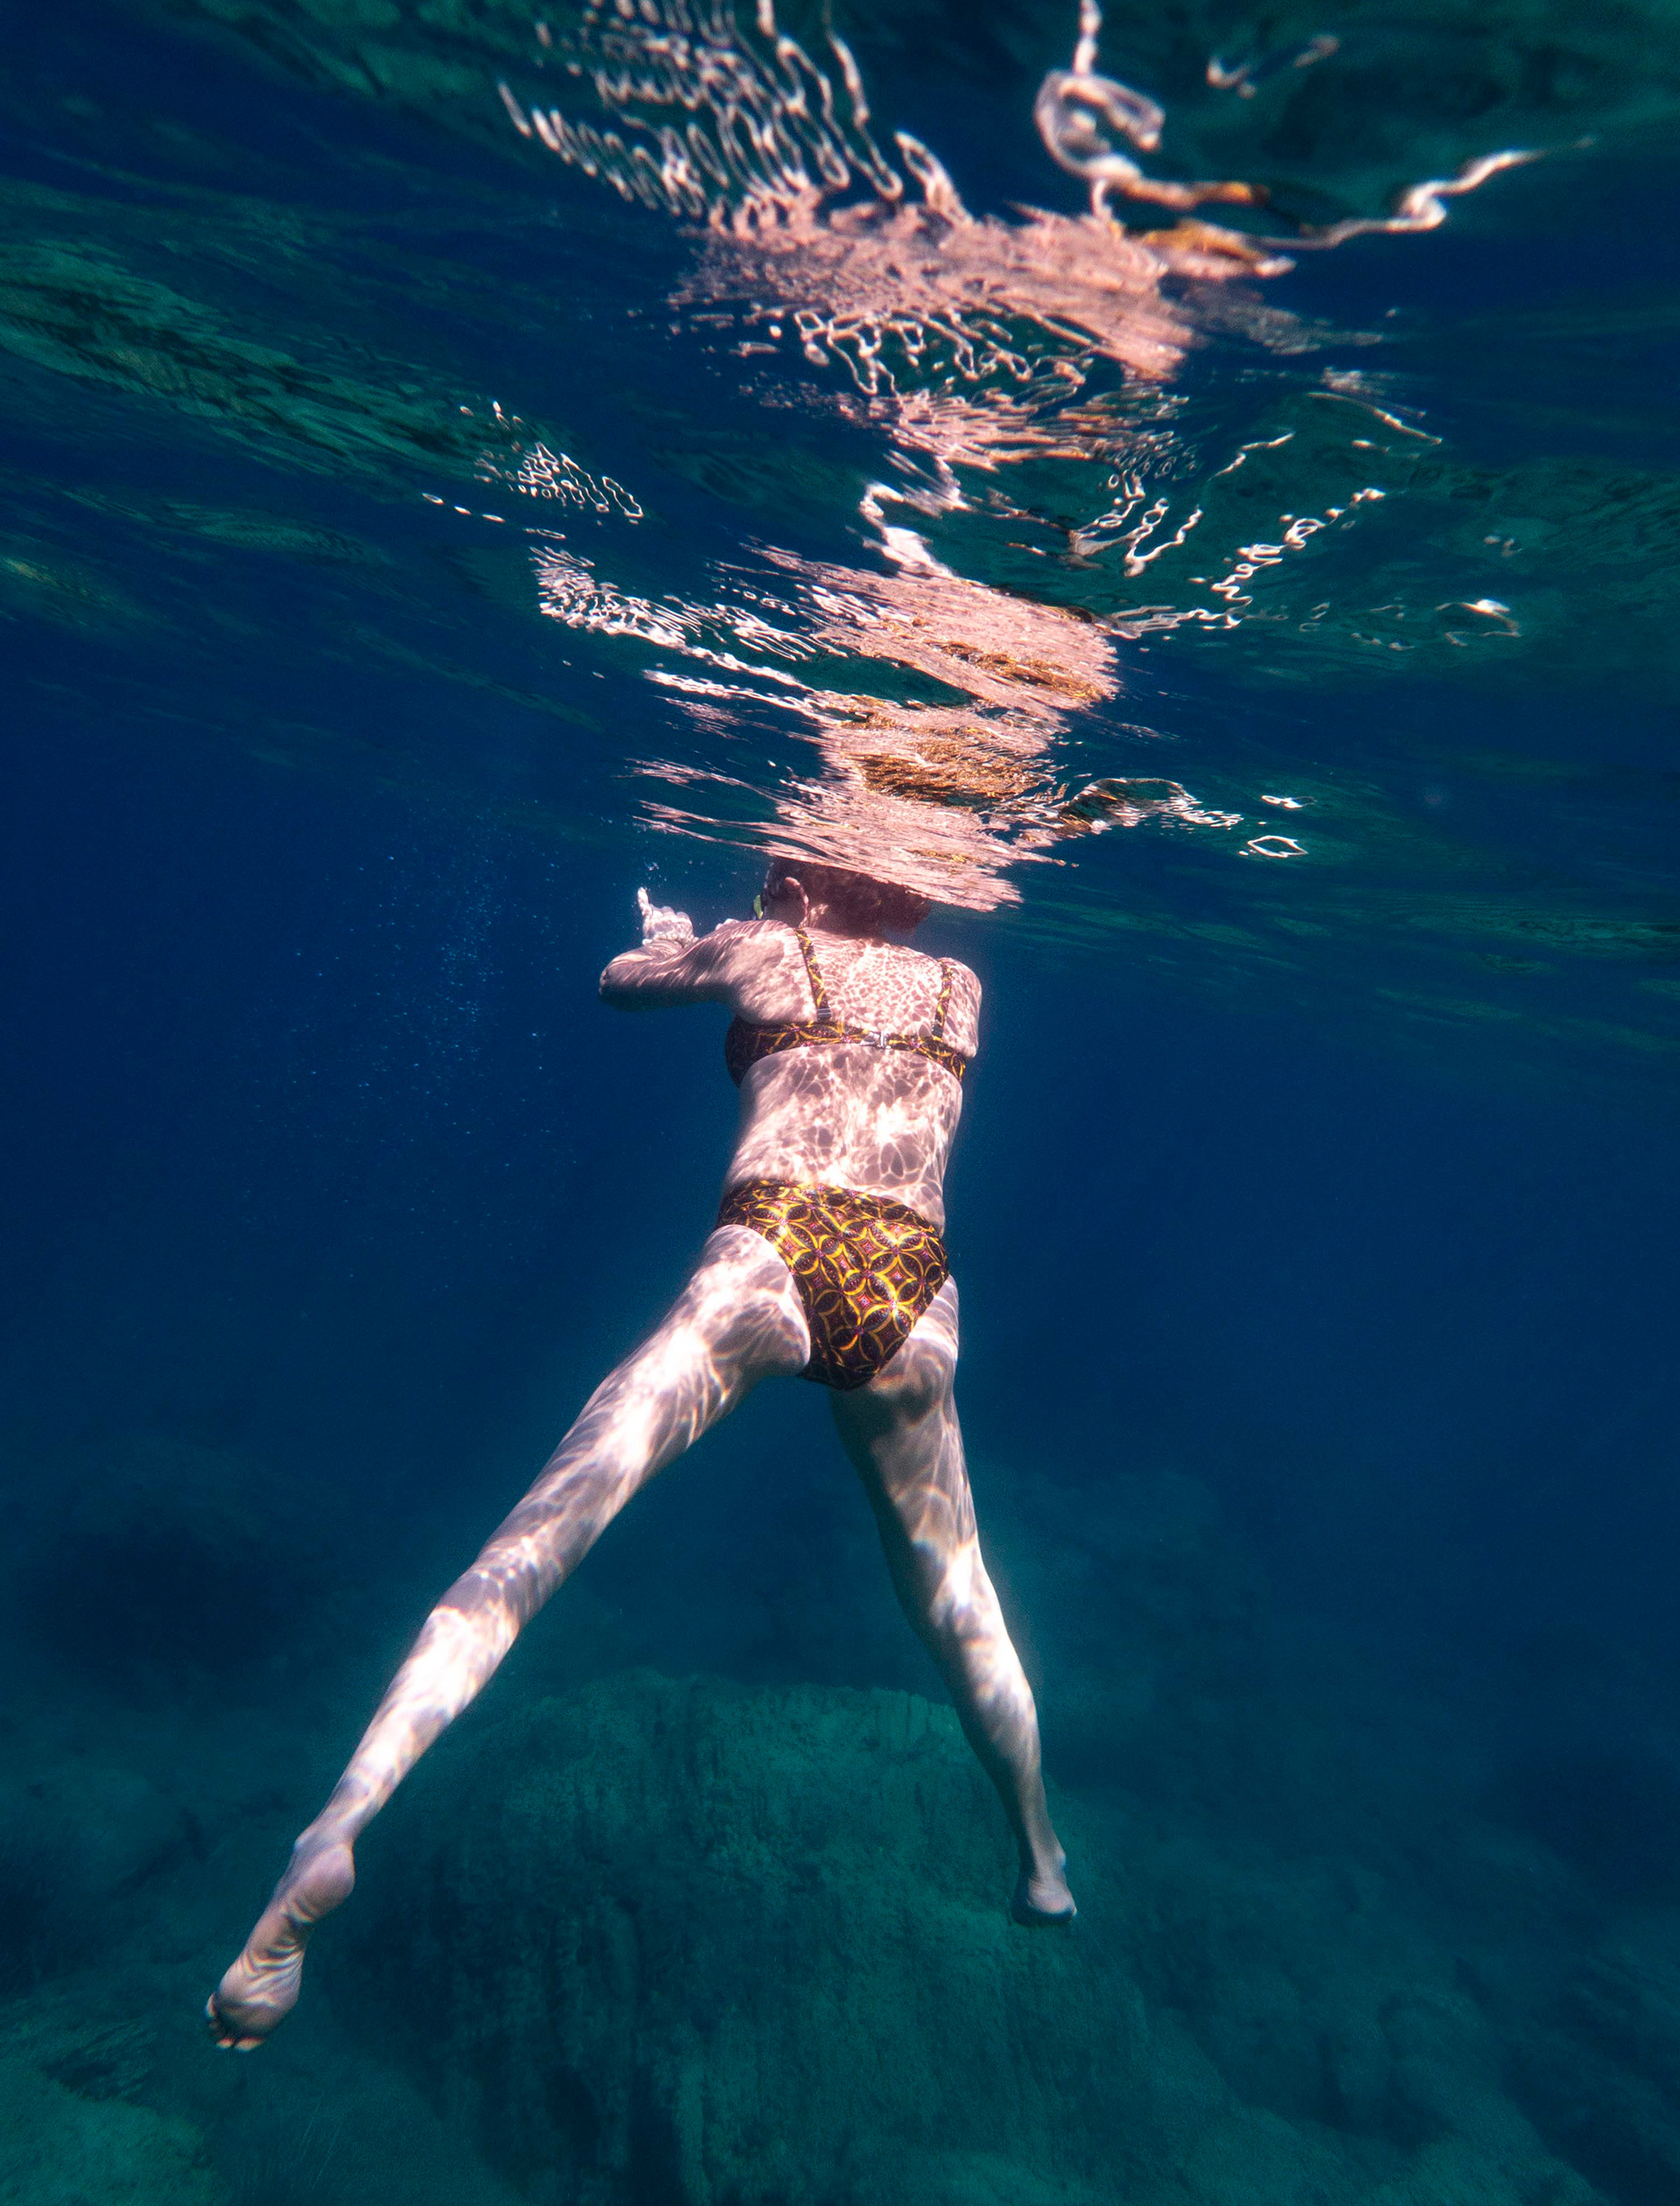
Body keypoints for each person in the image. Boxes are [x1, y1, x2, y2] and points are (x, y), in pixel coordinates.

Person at [206, 855, 1074, 2051]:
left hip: (768, 1255)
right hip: (911, 1291)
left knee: (529, 1550)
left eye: (774, 877)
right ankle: (1040, 1858)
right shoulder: (958, 989)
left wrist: (679, 942)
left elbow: (619, 982)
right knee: (959, 1597)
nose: (763, 889)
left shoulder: (764, 950)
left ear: (808, 886)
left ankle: (340, 1825)